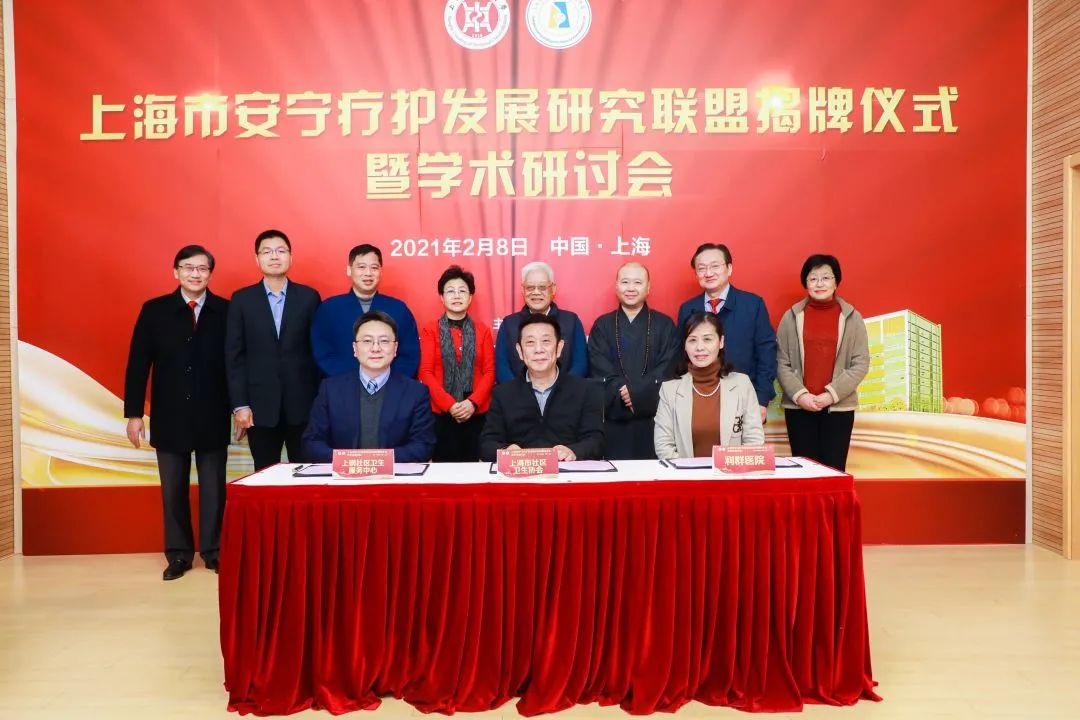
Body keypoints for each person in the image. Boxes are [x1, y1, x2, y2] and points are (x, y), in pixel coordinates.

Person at [124, 245, 230, 580]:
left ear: (210, 274)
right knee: (172, 489)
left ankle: (214, 551)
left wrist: (240, 407)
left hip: (213, 412)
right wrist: (134, 414)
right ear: (176, 272)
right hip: (169, 414)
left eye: (202, 269)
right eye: (188, 268)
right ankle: (179, 554)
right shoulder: (155, 310)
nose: (195, 274)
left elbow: (236, 364)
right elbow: (138, 364)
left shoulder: (226, 311)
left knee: (214, 488)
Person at [226, 229, 321, 470]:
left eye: (281, 251)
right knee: (264, 474)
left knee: (306, 473)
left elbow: (317, 352)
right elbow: (234, 356)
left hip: (303, 406)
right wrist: (240, 405)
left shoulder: (309, 297)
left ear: (291, 256)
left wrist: (320, 403)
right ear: (257, 259)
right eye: (267, 252)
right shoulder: (242, 300)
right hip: (259, 408)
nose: (274, 256)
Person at [776, 254, 869, 471]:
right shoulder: (791, 317)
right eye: (813, 278)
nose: (819, 284)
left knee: (833, 471)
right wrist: (801, 396)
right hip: (799, 408)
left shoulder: (852, 317)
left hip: (838, 409)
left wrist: (831, 395)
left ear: (836, 282)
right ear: (805, 283)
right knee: (804, 473)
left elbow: (861, 363)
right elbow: (781, 362)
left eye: (826, 278)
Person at [303, 310, 435, 462]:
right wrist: (348, 461)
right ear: (355, 349)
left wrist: (378, 461)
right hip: (344, 475)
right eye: (367, 341)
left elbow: (423, 445)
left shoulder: (416, 392)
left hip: (394, 475)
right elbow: (312, 442)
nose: (375, 348)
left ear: (395, 349)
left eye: (384, 341)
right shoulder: (331, 389)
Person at [480, 314, 604, 461]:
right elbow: (487, 444)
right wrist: (505, 450)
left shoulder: (585, 390)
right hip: (520, 473)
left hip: (567, 472)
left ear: (559, 347)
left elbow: (596, 441)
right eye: (530, 342)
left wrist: (573, 451)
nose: (538, 349)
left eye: (546, 341)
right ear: (520, 351)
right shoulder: (503, 394)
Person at [588, 262, 679, 459]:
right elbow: (598, 366)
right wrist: (624, 392)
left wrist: (637, 393)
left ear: (648, 287)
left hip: (655, 420)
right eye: (625, 282)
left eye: (637, 282)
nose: (631, 288)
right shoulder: (602, 325)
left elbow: (668, 367)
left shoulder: (664, 324)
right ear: (616, 286)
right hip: (614, 420)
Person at [676, 243, 777, 420]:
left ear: (729, 268)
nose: (708, 273)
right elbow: (681, 356)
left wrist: (761, 399)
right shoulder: (687, 309)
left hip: (744, 398)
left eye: (715, 266)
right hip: (698, 398)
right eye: (701, 268)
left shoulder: (753, 305)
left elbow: (766, 353)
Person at [654, 312, 765, 460]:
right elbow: (663, 446)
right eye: (692, 340)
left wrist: (727, 471)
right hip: (685, 474)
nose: (699, 347)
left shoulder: (742, 384)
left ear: (721, 342)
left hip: (732, 473)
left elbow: (754, 441)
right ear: (685, 345)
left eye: (707, 339)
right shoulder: (669, 390)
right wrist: (692, 472)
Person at [418, 265, 495, 462]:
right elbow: (425, 372)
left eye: (462, 291)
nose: (457, 295)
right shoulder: (430, 330)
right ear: (442, 297)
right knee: (443, 469)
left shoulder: (483, 330)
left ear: (470, 297)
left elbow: (489, 372)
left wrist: (472, 402)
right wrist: (450, 405)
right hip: (441, 411)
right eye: (450, 291)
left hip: (476, 410)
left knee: (476, 469)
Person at [310, 244, 420, 377]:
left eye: (374, 268)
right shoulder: (329, 308)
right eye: (361, 267)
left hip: (391, 386)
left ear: (381, 272)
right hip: (342, 384)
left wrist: (386, 381)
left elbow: (409, 355)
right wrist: (354, 381)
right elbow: (323, 352)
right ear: (349, 270)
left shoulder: (399, 309)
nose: (368, 273)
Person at [494, 261, 588, 381]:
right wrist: (518, 391)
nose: (536, 292)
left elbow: (580, 364)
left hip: (567, 391)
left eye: (542, 287)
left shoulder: (571, 321)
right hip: (517, 392)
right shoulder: (508, 324)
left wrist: (563, 389)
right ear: (522, 289)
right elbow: (502, 367)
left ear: (553, 289)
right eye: (530, 287)